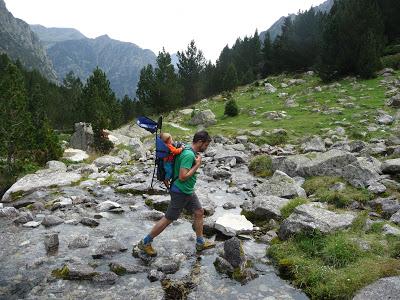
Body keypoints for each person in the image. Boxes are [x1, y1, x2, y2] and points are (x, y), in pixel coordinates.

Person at [138, 130, 215, 256]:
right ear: (200, 142)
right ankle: (145, 242)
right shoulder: (189, 155)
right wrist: (197, 165)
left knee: (199, 212)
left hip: (187, 190)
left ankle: (200, 243)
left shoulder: (187, 150)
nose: (206, 147)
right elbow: (183, 176)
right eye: (206, 145)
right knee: (168, 218)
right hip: (180, 191)